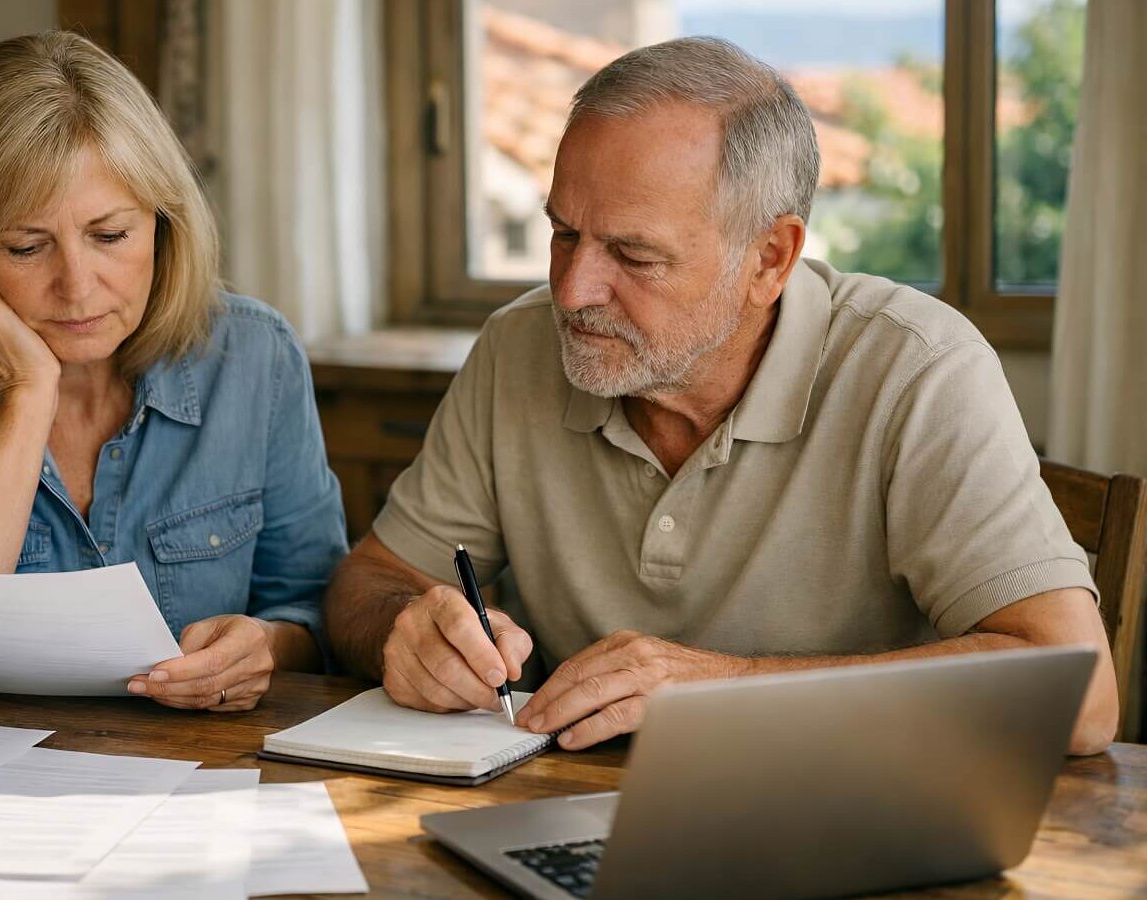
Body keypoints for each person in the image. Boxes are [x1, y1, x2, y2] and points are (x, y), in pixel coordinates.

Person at [323, 36, 1118, 755]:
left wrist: (723, 689)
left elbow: (1079, 695)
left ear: (770, 259)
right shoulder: (516, 347)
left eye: (634, 254)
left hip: (850, 818)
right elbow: (367, 582)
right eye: (564, 232)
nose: (570, 290)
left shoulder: (917, 368)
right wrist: (409, 631)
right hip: (567, 810)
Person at [0, 31, 347, 705]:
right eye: (27, 247)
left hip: (190, 775)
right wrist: (26, 399)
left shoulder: (255, 356)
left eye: (110, 236)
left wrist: (263, 648)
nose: (78, 287)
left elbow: (315, 610)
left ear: (163, 223)